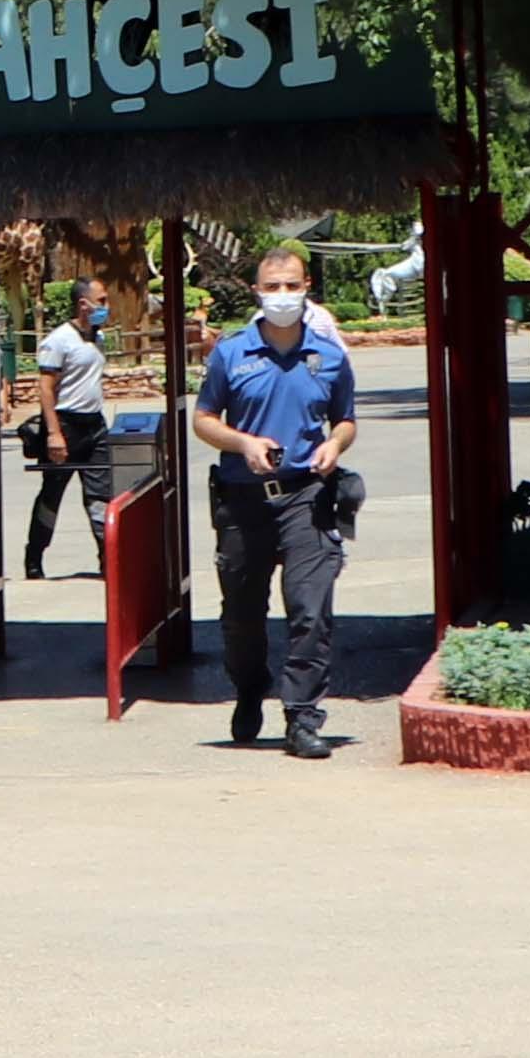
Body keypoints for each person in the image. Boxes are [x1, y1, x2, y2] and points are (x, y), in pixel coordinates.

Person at [192, 247, 363, 756]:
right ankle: (249, 688)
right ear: (257, 291)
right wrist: (243, 443)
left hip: (306, 496)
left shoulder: (329, 356)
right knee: (242, 613)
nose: (283, 296)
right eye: (273, 287)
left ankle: (302, 716)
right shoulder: (231, 353)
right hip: (243, 498)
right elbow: (203, 419)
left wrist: (336, 445)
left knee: (311, 610)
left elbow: (346, 419)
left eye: (291, 286)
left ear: (307, 285)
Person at [17, 293, 117, 579]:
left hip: (95, 426)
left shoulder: (98, 339)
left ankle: (108, 560)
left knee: (101, 497)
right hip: (65, 426)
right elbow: (46, 388)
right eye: (101, 299)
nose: (106, 305)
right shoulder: (59, 340)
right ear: (83, 303)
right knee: (52, 496)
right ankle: (34, 559)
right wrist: (53, 433)